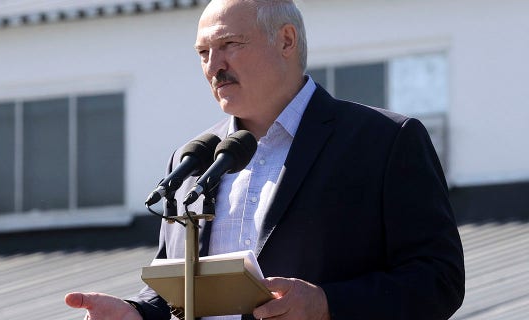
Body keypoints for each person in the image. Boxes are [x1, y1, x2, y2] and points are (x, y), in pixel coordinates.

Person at [65, 0, 465, 319]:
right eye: (203, 52)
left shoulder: (384, 141)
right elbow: (177, 286)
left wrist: (328, 305)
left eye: (230, 45)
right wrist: (137, 313)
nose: (213, 66)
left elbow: (439, 280)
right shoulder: (193, 159)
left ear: (286, 41)